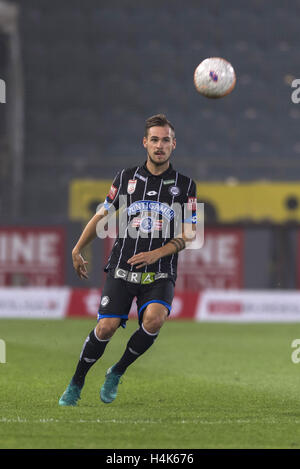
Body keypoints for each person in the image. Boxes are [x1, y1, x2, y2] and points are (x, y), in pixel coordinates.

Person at [59, 114, 197, 406]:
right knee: (106, 328)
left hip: (160, 271)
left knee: (154, 320)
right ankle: (76, 382)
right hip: (123, 268)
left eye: (166, 140)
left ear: (174, 145)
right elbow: (103, 215)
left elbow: (190, 233)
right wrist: (77, 248)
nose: (160, 145)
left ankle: (117, 371)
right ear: (145, 142)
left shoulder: (185, 186)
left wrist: (158, 253)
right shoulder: (126, 178)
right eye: (155, 139)